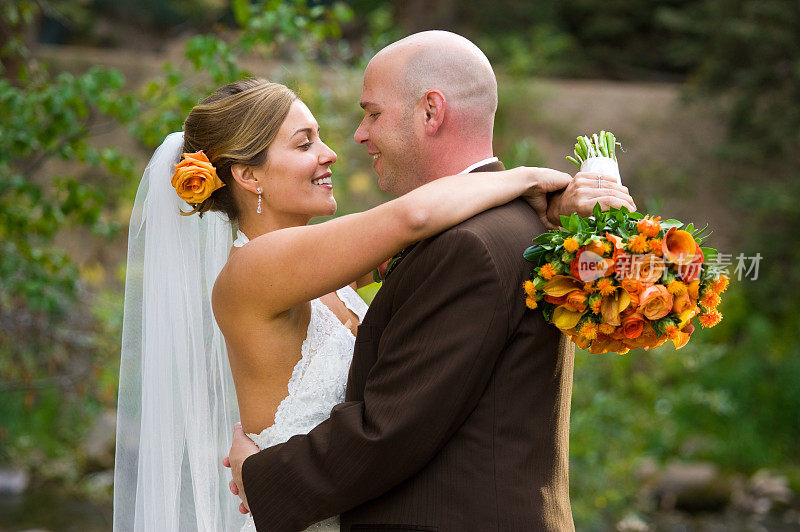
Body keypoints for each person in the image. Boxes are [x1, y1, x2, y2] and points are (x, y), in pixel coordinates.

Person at [113, 72, 632, 530]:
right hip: (308, 515)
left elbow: (434, 242)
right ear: (248, 176)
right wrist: (527, 180)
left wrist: (558, 211)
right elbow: (415, 218)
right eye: (303, 144)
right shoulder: (253, 269)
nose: (330, 153)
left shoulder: (326, 268)